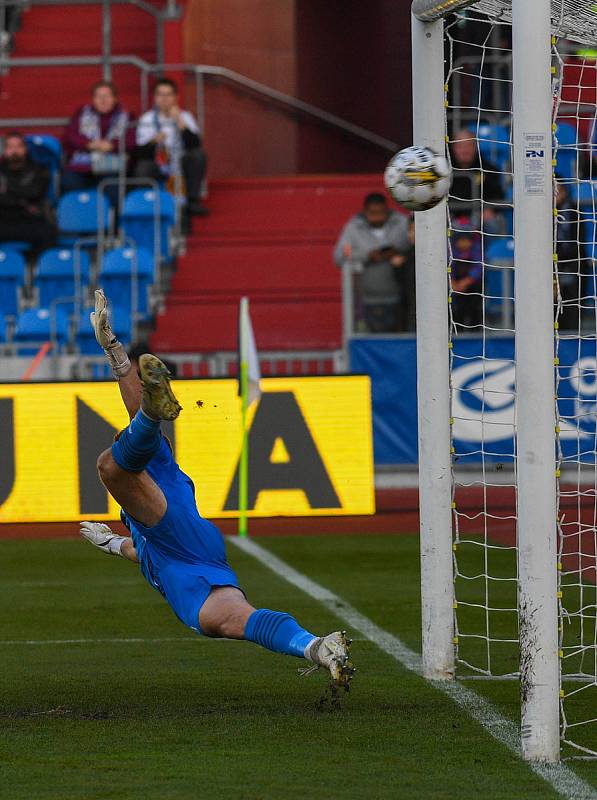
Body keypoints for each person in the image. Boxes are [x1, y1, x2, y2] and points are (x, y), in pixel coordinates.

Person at [80, 290, 354, 690]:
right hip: (196, 562)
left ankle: (150, 419)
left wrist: (119, 358)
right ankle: (317, 647)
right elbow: (137, 551)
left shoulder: (151, 485)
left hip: (176, 534)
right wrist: (108, 542)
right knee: (233, 621)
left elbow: (128, 452)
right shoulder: (143, 539)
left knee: (111, 468)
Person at [333, 192, 411, 333]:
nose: (378, 217)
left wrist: (398, 252)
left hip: (401, 298)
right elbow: (339, 257)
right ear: (365, 211)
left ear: (387, 210)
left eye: (381, 212)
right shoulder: (353, 228)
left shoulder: (402, 222)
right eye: (373, 213)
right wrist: (367, 256)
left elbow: (416, 247)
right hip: (366, 300)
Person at [135, 78, 208, 217]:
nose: (164, 99)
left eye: (168, 95)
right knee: (143, 167)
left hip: (179, 162)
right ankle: (147, 203)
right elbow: (140, 152)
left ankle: (192, 202)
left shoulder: (185, 116)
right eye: (160, 95)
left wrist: (179, 121)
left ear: (175, 97)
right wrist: (154, 141)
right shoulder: (147, 119)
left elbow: (195, 144)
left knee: (198, 156)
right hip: (159, 163)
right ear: (155, 98)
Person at [62, 81, 135, 201]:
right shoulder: (82, 113)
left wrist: (112, 145)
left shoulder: (127, 116)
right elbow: (70, 135)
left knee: (113, 190)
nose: (103, 100)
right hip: (83, 164)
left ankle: (113, 219)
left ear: (115, 98)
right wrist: (89, 144)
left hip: (112, 165)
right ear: (93, 99)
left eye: (107, 96)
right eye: (98, 96)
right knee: (69, 182)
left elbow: (132, 140)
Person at [0, 131, 56, 251]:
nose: (14, 151)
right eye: (10, 147)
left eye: (18, 146)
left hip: (29, 220)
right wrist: (20, 194)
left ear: (25, 149)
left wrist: (7, 189)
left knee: (47, 233)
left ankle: (45, 268)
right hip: (3, 220)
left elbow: (34, 193)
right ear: (4, 150)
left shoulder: (39, 170)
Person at [450, 128, 506, 235]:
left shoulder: (489, 169)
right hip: (452, 216)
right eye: (460, 146)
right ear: (453, 148)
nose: (464, 150)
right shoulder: (445, 170)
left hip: (480, 217)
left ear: (476, 147)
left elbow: (499, 196)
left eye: (468, 146)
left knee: (492, 223)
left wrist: (490, 210)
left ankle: (490, 252)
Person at [450, 220, 483, 331]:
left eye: (466, 240)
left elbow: (478, 268)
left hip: (472, 286)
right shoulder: (452, 252)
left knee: (474, 309)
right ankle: (456, 332)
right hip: (455, 287)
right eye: (461, 240)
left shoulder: (476, 249)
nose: (463, 244)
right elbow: (449, 267)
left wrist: (466, 281)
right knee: (457, 311)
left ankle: (476, 332)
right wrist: (453, 282)